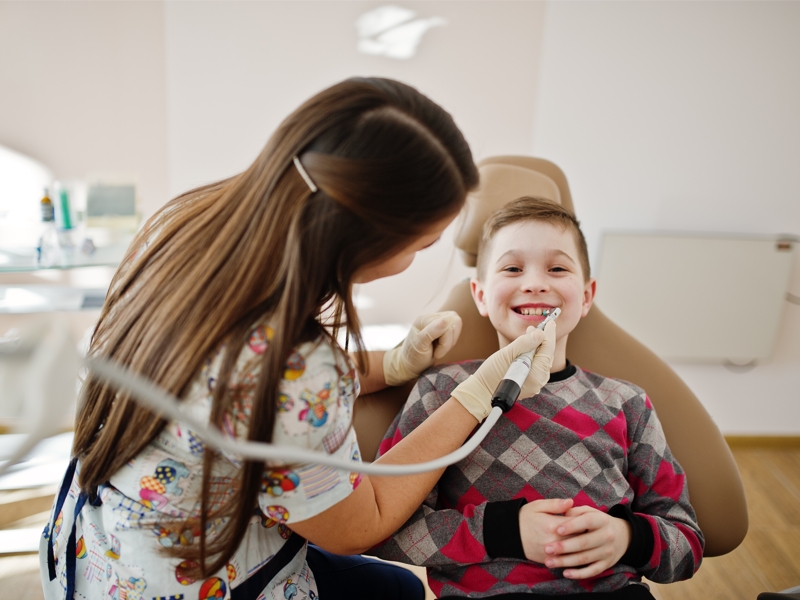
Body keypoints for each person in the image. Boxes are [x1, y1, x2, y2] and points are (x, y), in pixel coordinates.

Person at [39, 78, 558, 600]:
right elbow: (360, 523)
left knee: (395, 588)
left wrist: (390, 364)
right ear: (360, 239)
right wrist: (476, 395)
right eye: (422, 244)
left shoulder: (182, 227)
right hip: (189, 581)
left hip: (97, 550)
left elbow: (234, 383)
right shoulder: (302, 369)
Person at [369, 197, 704, 599]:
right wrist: (501, 531)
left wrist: (626, 537)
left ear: (586, 295)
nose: (535, 283)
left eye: (557, 268)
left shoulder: (625, 402)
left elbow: (688, 544)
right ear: (479, 295)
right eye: (512, 268)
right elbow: (378, 528)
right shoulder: (443, 392)